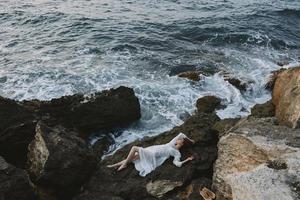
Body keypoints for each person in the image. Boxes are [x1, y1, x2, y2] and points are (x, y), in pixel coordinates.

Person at [107, 132, 195, 177]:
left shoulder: (176, 153)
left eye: (180, 140)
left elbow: (177, 163)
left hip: (153, 154)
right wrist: (190, 140)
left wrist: (187, 160)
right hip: (152, 149)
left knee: (134, 148)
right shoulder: (172, 143)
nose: (178, 139)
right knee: (134, 157)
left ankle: (124, 164)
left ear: (182, 143)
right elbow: (181, 134)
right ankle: (116, 165)